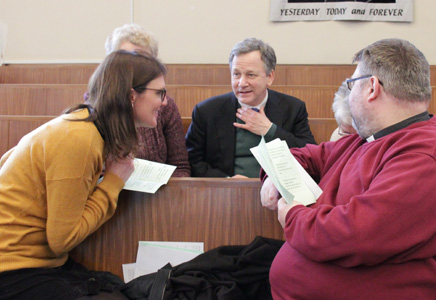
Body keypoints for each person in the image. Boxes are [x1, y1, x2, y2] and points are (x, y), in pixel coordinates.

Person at [260, 38, 436, 299]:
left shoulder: (427, 155)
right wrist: (275, 174)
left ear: (371, 87)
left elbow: (355, 237)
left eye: (352, 85)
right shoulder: (370, 138)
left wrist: (293, 215)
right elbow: (308, 155)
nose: (350, 96)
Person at [0, 50, 167, 299]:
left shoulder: (84, 126)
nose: (165, 102)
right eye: (160, 93)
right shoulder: (79, 139)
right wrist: (113, 181)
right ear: (132, 95)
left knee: (124, 288)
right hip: (12, 267)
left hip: (38, 260)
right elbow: (62, 239)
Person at [186, 37, 316, 178]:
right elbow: (192, 161)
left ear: (269, 77)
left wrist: (270, 130)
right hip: (224, 193)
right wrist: (227, 181)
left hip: (277, 192)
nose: (242, 83)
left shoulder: (293, 108)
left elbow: (310, 155)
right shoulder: (207, 111)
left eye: (251, 75)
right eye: (236, 74)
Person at [105, 23, 190, 177]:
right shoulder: (98, 108)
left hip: (159, 195)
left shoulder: (164, 105)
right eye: (128, 59)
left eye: (144, 60)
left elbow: (181, 167)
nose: (137, 67)